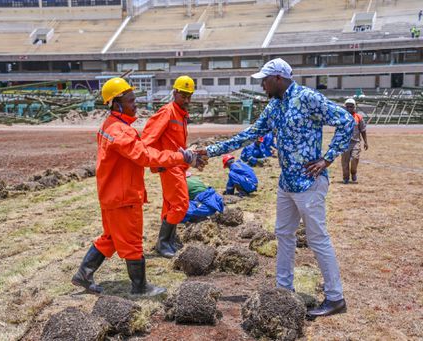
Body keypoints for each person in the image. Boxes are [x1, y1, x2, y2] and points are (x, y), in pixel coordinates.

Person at [197, 58, 354, 319]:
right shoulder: (275, 106)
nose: (262, 85)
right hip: (286, 183)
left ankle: (336, 298)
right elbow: (248, 135)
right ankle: (283, 290)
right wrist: (210, 151)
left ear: (279, 78)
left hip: (309, 183)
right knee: (283, 234)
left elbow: (346, 121)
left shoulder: (306, 98)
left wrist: (327, 158)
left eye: (265, 80)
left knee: (317, 238)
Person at [71, 77, 203, 297]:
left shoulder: (112, 126)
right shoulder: (120, 132)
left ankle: (84, 274)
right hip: (123, 196)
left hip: (111, 193)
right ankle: (140, 288)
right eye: (131, 100)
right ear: (116, 104)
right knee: (132, 241)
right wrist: (180, 156)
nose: (136, 105)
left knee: (112, 237)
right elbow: (143, 155)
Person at [141, 75, 195, 258]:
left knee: (170, 204)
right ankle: (163, 243)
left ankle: (168, 241)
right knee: (180, 204)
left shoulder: (181, 114)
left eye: (189, 96)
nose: (187, 100)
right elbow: (147, 140)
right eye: (183, 95)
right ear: (175, 93)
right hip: (169, 165)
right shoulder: (167, 112)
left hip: (178, 165)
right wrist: (156, 163)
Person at [340, 98, 368, 183]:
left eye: (351, 107)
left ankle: (354, 172)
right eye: (347, 107)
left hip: (355, 142)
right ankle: (346, 178)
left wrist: (365, 142)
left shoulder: (358, 117)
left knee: (355, 158)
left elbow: (363, 130)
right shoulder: (342, 117)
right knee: (345, 161)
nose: (349, 108)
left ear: (354, 107)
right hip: (345, 142)